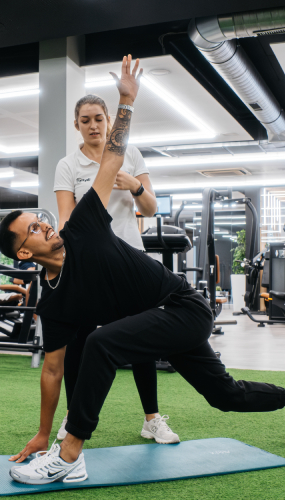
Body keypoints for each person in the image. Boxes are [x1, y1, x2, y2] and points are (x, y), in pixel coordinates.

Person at [0, 55, 285, 485]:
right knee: (223, 396)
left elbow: (113, 158)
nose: (44, 224)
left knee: (100, 342)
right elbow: (53, 368)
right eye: (32, 231)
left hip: (182, 307)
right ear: (24, 254)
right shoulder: (54, 300)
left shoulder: (84, 227)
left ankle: (71, 456)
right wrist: (42, 432)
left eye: (40, 219)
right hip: (160, 319)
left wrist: (127, 101)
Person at [52, 94, 177, 444]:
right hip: (88, 267)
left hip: (130, 264)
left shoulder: (130, 154)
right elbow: (65, 219)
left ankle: (151, 418)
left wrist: (135, 185)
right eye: (85, 120)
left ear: (109, 120)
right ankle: (72, 416)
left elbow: (150, 209)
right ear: (76, 125)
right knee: (79, 341)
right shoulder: (68, 165)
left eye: (98, 119)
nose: (93, 126)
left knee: (142, 341)